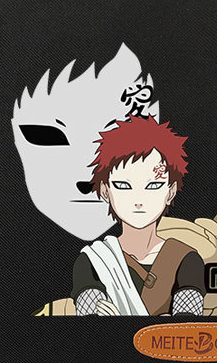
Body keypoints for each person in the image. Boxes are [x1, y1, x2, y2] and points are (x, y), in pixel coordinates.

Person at [72, 117, 205, 316]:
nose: (138, 200)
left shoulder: (187, 259)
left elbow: (186, 328)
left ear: (170, 192)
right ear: (105, 191)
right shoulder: (93, 260)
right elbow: (90, 325)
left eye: (153, 186)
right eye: (123, 186)